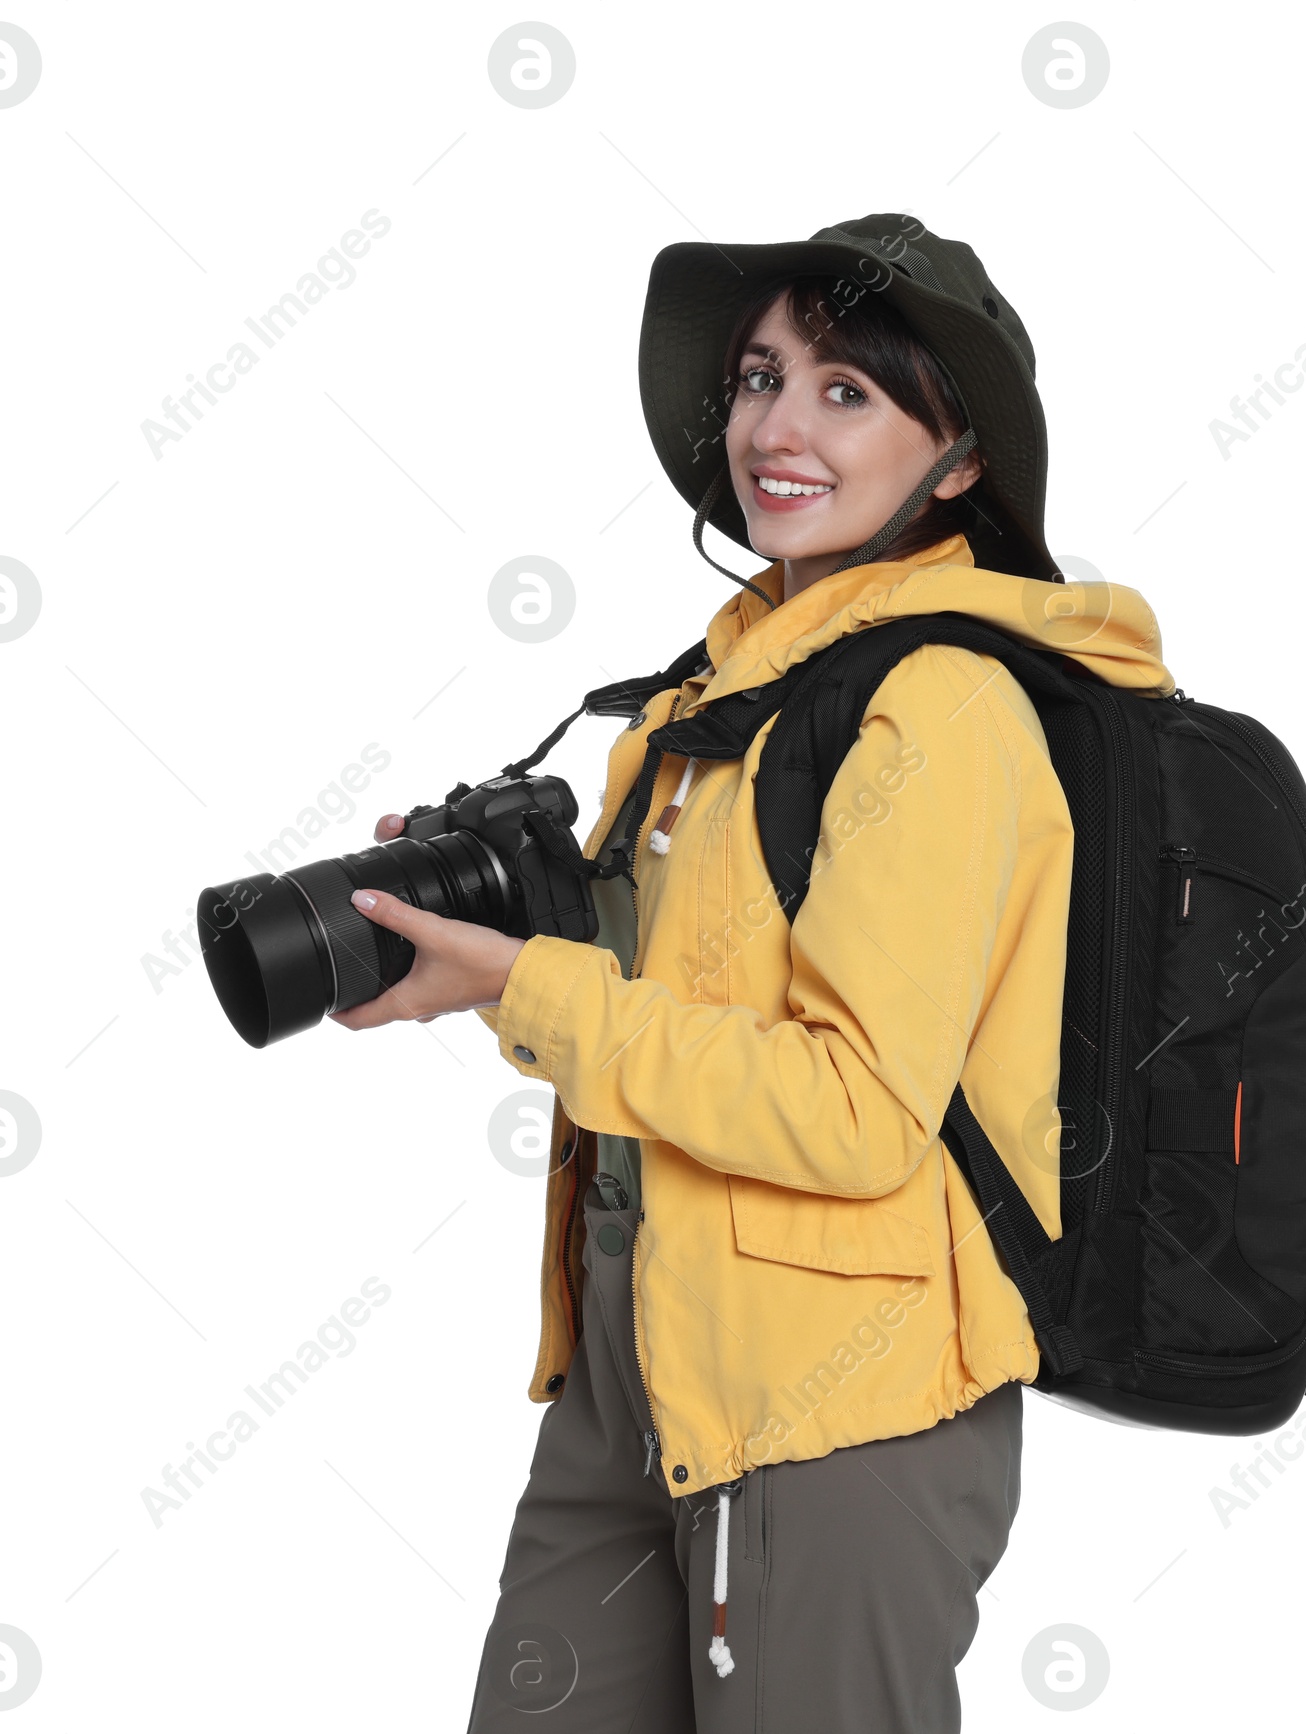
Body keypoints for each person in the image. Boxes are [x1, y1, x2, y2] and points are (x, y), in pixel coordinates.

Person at [333, 214, 1173, 1732]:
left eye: (848, 392)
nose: (775, 431)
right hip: (636, 1358)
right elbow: (671, 1013)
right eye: (759, 378)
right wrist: (488, 951)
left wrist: (542, 990)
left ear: (960, 459)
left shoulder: (943, 711)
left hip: (835, 1408)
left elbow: (855, 1112)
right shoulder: (720, 695)